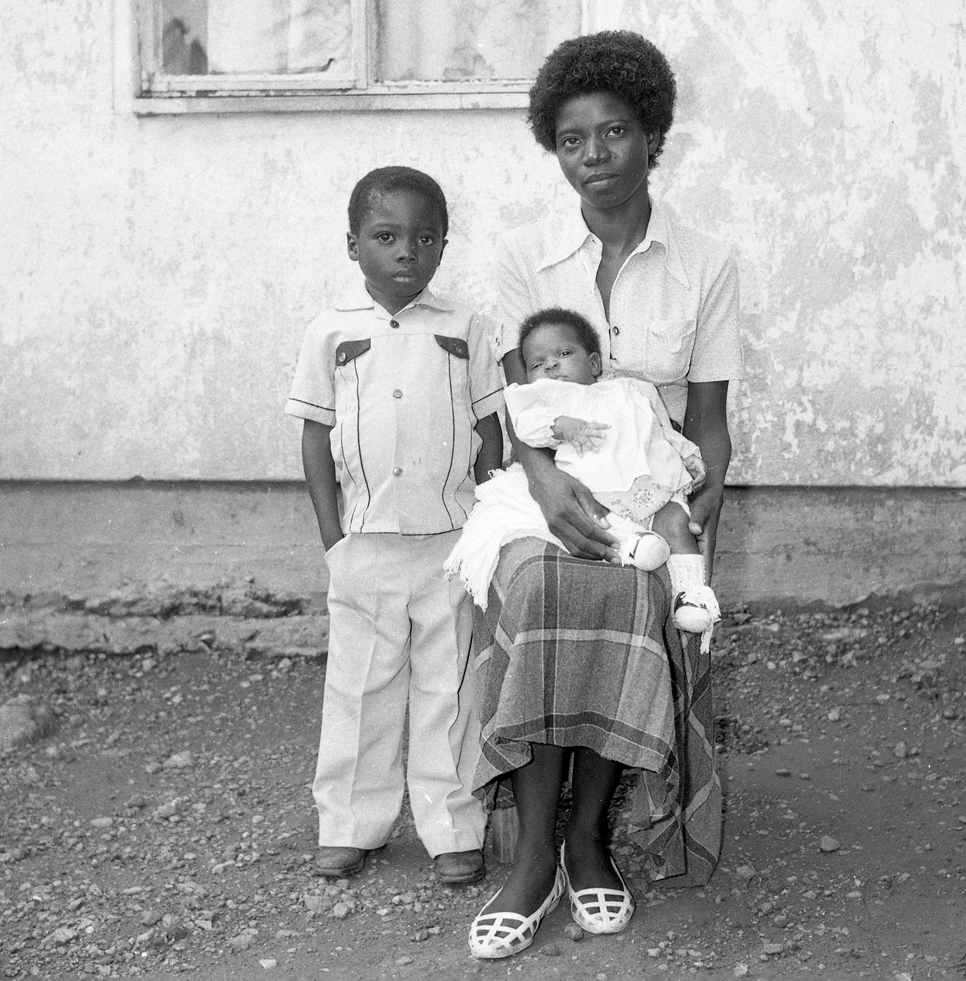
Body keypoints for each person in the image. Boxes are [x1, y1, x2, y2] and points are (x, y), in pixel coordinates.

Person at [465, 30, 742, 959]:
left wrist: (695, 514)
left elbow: (709, 420)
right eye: (573, 139)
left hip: (651, 495)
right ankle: (533, 852)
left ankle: (588, 839)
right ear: (555, 149)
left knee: (629, 595)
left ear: (652, 135)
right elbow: (520, 411)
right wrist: (547, 489)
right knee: (547, 588)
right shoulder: (523, 257)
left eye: (615, 131)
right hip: (543, 491)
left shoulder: (705, 260)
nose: (594, 154)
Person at [284, 165, 506, 887]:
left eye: (424, 236)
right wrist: (334, 538)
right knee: (360, 688)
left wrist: (488, 521)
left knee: (450, 688)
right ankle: (349, 824)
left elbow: (490, 429)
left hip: (451, 541)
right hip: (365, 540)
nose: (406, 250)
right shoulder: (331, 331)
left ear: (443, 245)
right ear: (354, 245)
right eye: (386, 236)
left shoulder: (466, 328)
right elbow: (314, 437)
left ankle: (453, 827)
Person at [444, 306, 721, 636]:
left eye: (563, 353)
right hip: (598, 493)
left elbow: (661, 430)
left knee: (677, 523)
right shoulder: (546, 401)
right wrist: (560, 425)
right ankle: (632, 545)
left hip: (651, 485)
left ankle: (692, 596)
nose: (551, 365)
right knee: (597, 521)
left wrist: (688, 454)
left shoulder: (632, 390)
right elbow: (527, 426)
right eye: (537, 364)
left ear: (594, 363)